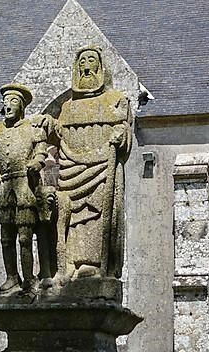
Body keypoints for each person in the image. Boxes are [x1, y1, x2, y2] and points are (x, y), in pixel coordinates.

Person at [33, 46, 132, 281]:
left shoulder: (115, 100)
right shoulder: (67, 106)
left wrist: (121, 134)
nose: (86, 65)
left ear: (100, 66)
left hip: (100, 171)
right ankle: (70, 264)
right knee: (72, 219)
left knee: (96, 217)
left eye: (91, 60)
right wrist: (48, 124)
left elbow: (124, 130)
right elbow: (60, 134)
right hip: (70, 172)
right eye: (82, 61)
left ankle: (93, 265)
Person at [0, 83, 48, 294]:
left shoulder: (32, 129)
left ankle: (29, 278)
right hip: (5, 187)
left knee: (24, 237)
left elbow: (42, 151)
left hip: (24, 186)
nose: (8, 106)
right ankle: (12, 277)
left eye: (13, 102)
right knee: (6, 238)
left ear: (21, 106)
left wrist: (36, 163)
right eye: (5, 102)